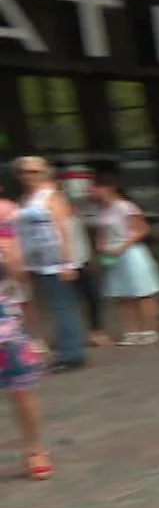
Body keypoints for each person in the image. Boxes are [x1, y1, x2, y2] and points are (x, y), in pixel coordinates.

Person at [14, 157, 85, 371]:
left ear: (46, 172)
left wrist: (67, 262)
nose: (29, 176)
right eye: (24, 172)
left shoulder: (52, 195)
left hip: (56, 260)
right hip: (37, 261)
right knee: (54, 306)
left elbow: (65, 229)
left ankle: (71, 354)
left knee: (63, 305)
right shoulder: (27, 198)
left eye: (34, 172)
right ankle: (65, 348)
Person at [0, 201, 48, 479]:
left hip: (3, 320)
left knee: (20, 390)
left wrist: (10, 256)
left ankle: (35, 448)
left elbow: (20, 275)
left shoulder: (4, 227)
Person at [88, 170, 159, 346]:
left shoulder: (126, 207)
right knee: (123, 294)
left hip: (131, 252)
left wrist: (123, 246)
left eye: (96, 188)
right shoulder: (102, 210)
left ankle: (149, 329)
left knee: (143, 292)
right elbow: (101, 232)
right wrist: (100, 247)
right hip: (112, 253)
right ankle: (131, 330)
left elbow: (142, 229)